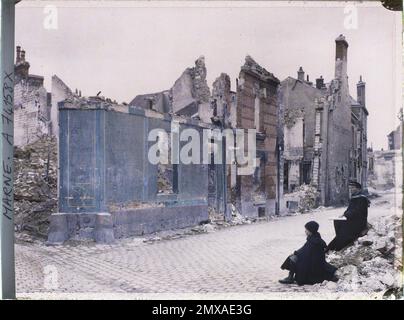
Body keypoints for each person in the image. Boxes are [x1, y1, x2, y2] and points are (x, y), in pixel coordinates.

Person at [279, 221, 338, 285]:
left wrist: (296, 253)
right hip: (312, 261)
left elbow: (305, 253)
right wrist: (296, 253)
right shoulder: (314, 238)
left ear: (311, 230)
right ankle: (290, 277)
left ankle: (290, 278)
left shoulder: (314, 241)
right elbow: (305, 250)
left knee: (293, 258)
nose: (305, 231)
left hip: (313, 265)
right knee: (294, 256)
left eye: (306, 229)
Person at [326, 181, 370, 252]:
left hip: (359, 221)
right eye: (350, 188)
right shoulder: (354, 197)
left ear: (358, 189)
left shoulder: (362, 198)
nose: (351, 189)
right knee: (337, 221)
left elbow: (357, 211)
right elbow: (349, 209)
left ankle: (339, 246)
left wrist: (347, 214)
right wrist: (344, 214)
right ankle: (333, 246)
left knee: (344, 231)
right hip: (352, 219)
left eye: (353, 188)